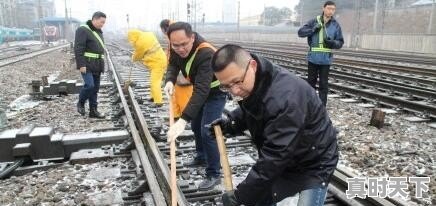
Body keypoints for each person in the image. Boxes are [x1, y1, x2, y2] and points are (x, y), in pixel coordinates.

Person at [209, 44, 339, 206]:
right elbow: (255, 109)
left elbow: (275, 157)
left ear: (253, 66)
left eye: (236, 82)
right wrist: (230, 124)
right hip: (286, 158)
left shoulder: (285, 98)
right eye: (226, 86)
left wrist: (241, 196)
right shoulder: (258, 80)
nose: (234, 91)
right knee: (261, 196)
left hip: (313, 163)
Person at [164, 22, 227, 191]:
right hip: (201, 90)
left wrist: (182, 119)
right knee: (195, 125)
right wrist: (169, 80)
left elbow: (202, 90)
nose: (181, 49)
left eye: (184, 44)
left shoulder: (205, 53)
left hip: (215, 92)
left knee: (208, 131)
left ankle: (214, 174)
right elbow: (173, 64)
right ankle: (201, 156)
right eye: (175, 45)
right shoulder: (176, 48)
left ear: (192, 37)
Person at [298, 1, 344, 106]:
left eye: (333, 9)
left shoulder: (336, 25)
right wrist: (313, 29)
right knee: (311, 83)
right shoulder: (314, 21)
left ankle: (322, 107)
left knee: (324, 85)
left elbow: (340, 42)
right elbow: (300, 32)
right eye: (329, 8)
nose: (331, 11)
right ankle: (310, 105)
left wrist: (333, 43)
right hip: (313, 59)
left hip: (325, 60)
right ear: (323, 8)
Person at [74, 11, 107, 118]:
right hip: (87, 64)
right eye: (101, 22)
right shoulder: (83, 30)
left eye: (104, 23)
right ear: (95, 19)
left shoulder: (98, 32)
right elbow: (78, 48)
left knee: (95, 89)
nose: (102, 24)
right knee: (89, 85)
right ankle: (81, 103)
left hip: (97, 65)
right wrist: (81, 65)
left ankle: (93, 111)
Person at [160, 19, 193, 119]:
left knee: (184, 95)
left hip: (182, 72)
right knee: (175, 94)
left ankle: (186, 116)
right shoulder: (174, 35)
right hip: (177, 73)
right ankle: (176, 115)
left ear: (164, 29)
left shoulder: (176, 36)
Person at [127, 29, 167, 105]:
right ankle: (153, 97)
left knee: (155, 82)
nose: (132, 42)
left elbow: (138, 55)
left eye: (131, 40)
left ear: (134, 37)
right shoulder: (148, 34)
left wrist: (133, 58)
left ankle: (158, 101)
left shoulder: (140, 43)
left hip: (157, 63)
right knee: (153, 80)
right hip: (157, 60)